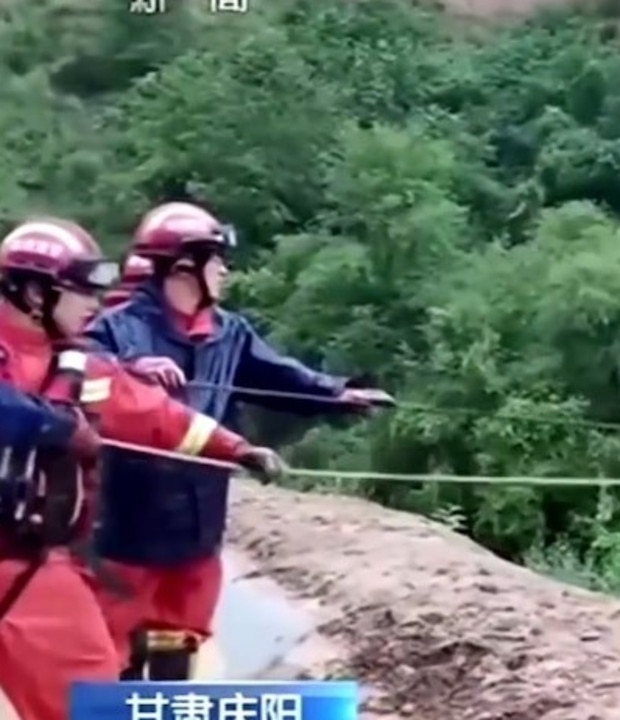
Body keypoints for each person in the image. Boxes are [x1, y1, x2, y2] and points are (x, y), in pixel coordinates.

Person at [86, 201, 394, 681]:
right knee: (115, 652)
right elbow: (79, 376)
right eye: (216, 260)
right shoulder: (114, 331)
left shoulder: (229, 333)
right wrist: (128, 370)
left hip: (199, 522)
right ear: (184, 266)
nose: (225, 270)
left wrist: (339, 394)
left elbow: (280, 377)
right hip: (128, 527)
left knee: (178, 643)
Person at [0, 218, 285, 720]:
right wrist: (59, 429)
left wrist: (234, 448)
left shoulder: (81, 369)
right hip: (26, 570)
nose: (95, 302)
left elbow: (159, 417)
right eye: (81, 290)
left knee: (90, 705)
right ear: (32, 291)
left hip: (34, 571)